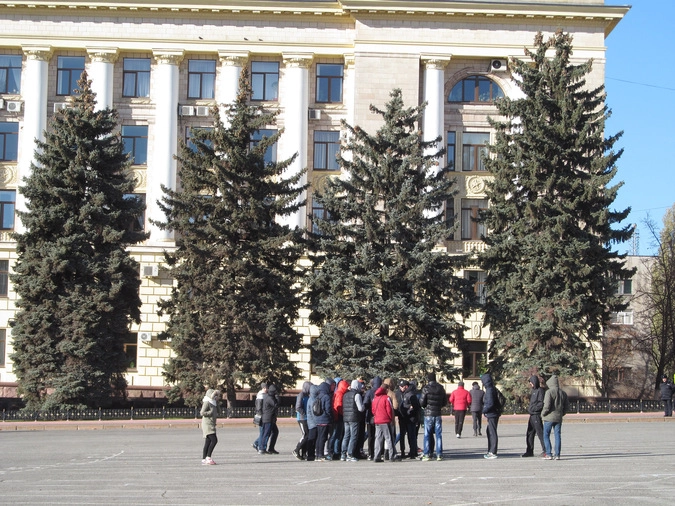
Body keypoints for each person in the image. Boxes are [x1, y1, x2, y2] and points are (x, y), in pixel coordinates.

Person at [420, 372, 447, 461]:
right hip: (438, 413)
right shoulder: (441, 388)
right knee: (438, 435)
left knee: (427, 434)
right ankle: (439, 454)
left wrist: (425, 406)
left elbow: (422, 402)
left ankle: (427, 454)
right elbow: (444, 402)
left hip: (428, 414)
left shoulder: (426, 388)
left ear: (428, 379)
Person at [541, 374, 570, 460]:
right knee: (557, 435)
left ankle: (548, 454)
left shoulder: (549, 392)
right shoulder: (563, 393)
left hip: (549, 418)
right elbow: (567, 407)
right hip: (558, 418)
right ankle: (557, 454)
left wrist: (543, 414)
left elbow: (547, 405)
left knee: (546, 435)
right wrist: (561, 413)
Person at [372, 382, 397, 462]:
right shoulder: (386, 398)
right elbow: (389, 410)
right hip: (385, 421)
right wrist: (390, 419)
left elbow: (373, 410)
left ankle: (377, 456)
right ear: (386, 390)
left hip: (377, 421)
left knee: (378, 438)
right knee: (389, 438)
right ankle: (392, 455)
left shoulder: (375, 398)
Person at [522, 375, 546, 457]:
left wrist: (533, 409)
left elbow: (541, 403)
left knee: (540, 433)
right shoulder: (533, 391)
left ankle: (546, 450)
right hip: (532, 415)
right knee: (530, 433)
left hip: (536, 415)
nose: (531, 384)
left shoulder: (540, 391)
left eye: (531, 383)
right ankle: (529, 451)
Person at [342, 379, 365, 461]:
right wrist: (364, 406)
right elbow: (360, 408)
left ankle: (343, 454)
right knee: (353, 436)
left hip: (346, 418)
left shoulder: (345, 394)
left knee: (346, 436)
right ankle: (350, 454)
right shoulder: (357, 395)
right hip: (354, 418)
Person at [481, 373, 501, 459]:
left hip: (492, 414)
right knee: (489, 431)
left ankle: (492, 451)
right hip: (493, 413)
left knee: (492, 432)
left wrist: (484, 410)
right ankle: (491, 450)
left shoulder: (489, 390)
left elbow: (490, 403)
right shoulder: (492, 388)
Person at [400, 380, 421, 459]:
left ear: (406, 386)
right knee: (409, 435)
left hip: (411, 418)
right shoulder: (406, 393)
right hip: (406, 418)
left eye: (402, 386)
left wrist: (408, 411)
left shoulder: (411, 394)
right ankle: (412, 451)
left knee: (411, 436)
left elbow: (415, 407)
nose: (401, 388)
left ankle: (413, 452)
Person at [363, 376, 382, 460]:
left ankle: (371, 453)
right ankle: (379, 452)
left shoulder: (369, 392)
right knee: (379, 435)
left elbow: (365, 403)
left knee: (371, 436)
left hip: (370, 416)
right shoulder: (382, 391)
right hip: (380, 416)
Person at [314, 380, 334, 461]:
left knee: (319, 438)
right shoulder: (326, 397)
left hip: (318, 419)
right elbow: (328, 409)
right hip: (325, 420)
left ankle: (317, 454)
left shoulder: (318, 396)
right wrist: (330, 417)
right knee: (323, 438)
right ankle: (321, 455)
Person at [200, 388, 221, 465]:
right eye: (214, 395)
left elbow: (219, 411)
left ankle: (204, 458)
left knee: (208, 441)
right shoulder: (207, 402)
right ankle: (208, 457)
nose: (215, 396)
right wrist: (210, 412)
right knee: (214, 440)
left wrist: (217, 402)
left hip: (212, 423)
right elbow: (202, 412)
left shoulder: (214, 402)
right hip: (207, 424)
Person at [330, 379, 349, 459]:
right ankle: (334, 451)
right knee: (337, 435)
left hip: (337, 416)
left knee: (337, 435)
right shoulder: (340, 394)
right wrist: (343, 413)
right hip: (338, 416)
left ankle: (335, 451)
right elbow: (339, 406)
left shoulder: (338, 393)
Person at [293, 381, 312, 460]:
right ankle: (296, 450)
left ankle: (304, 453)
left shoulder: (308, 395)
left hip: (307, 418)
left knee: (308, 435)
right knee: (305, 435)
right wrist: (304, 414)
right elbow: (298, 407)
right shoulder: (301, 395)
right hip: (302, 418)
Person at [259, 384, 279, 454]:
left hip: (270, 418)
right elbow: (276, 404)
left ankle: (271, 448)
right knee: (266, 433)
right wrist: (277, 397)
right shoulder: (270, 398)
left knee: (275, 432)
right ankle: (262, 448)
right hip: (268, 419)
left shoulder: (269, 397)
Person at [252, 383, 267, 451]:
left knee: (264, 432)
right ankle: (258, 445)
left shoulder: (263, 395)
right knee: (262, 432)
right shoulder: (260, 396)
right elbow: (259, 408)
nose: (266, 389)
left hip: (263, 416)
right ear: (263, 388)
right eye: (265, 388)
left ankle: (257, 443)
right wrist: (262, 416)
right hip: (262, 417)